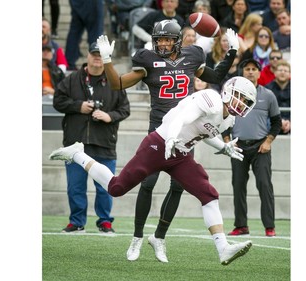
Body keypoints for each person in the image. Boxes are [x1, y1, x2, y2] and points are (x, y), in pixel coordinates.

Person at [49, 76, 257, 265]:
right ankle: (77, 154)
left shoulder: (228, 119)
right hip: (159, 144)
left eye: (246, 102)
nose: (241, 104)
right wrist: (171, 138)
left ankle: (223, 249)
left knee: (209, 195)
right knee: (116, 187)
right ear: (229, 91)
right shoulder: (210, 98)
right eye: (240, 97)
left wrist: (223, 147)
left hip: (181, 155)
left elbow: (206, 131)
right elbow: (182, 118)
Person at [96, 21, 240, 262]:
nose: (162, 44)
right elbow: (117, 84)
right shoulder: (148, 60)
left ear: (178, 40)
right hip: (160, 130)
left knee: (177, 186)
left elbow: (215, 75)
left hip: (185, 132)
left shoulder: (193, 56)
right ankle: (137, 237)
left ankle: (159, 237)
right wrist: (108, 61)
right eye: (159, 39)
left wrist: (232, 52)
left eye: (166, 39)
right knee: (148, 182)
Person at [52, 42, 131, 234]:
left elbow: (125, 109)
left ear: (105, 58)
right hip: (75, 145)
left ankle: (105, 222)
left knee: (105, 186)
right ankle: (77, 222)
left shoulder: (115, 81)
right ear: (87, 55)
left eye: (100, 54)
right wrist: (77, 106)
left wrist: (109, 116)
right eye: (94, 53)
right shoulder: (72, 80)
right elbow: (58, 101)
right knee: (75, 187)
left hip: (104, 143)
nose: (97, 57)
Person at [223, 58, 281, 237]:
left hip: (260, 147)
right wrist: (226, 140)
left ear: (259, 72)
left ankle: (269, 226)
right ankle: (241, 226)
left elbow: (277, 122)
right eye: (247, 69)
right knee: (238, 186)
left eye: (253, 69)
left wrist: (268, 141)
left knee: (264, 185)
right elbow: (224, 120)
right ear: (242, 72)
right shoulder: (233, 95)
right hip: (238, 147)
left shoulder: (268, 95)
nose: (250, 72)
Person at [65, 0, 105, 71]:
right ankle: (95, 63)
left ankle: (69, 62)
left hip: (77, 3)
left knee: (74, 33)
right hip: (92, 4)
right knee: (95, 34)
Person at [265, 59, 290, 134]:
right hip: (272, 122)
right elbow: (265, 110)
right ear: (275, 73)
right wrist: (280, 122)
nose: (283, 72)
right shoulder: (267, 89)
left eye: (285, 71)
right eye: (280, 70)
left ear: (289, 74)